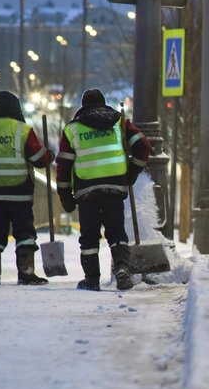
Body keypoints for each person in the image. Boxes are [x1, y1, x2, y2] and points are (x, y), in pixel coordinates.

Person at [56, 89, 150, 291]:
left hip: (86, 190)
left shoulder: (72, 129)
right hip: (114, 187)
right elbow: (143, 145)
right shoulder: (119, 122)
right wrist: (131, 172)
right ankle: (123, 269)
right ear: (104, 103)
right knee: (116, 231)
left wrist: (65, 194)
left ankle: (92, 279)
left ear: (83, 107)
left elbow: (64, 165)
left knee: (89, 235)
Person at [0, 90, 55, 286]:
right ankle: (26, 273)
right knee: (24, 232)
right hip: (19, 191)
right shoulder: (22, 130)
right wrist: (50, 155)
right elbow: (39, 158)